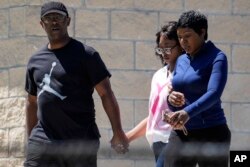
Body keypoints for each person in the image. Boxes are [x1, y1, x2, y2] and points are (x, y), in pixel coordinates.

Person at [24, 1, 128, 167]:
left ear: (68, 21)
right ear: (42, 24)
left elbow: (106, 94)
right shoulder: (35, 61)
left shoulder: (87, 55)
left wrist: (118, 132)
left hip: (80, 141)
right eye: (49, 18)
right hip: (43, 139)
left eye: (58, 17)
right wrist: (31, 139)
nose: (54, 22)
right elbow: (31, 102)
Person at [163, 10, 231, 167]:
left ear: (202, 32)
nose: (183, 42)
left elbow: (214, 94)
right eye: (180, 37)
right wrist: (171, 99)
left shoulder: (218, 57)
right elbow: (175, 93)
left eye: (187, 36)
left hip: (212, 133)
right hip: (182, 133)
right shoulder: (180, 60)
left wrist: (187, 112)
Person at [126, 21, 183, 167]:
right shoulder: (159, 75)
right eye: (161, 48)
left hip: (175, 141)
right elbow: (153, 118)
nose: (164, 53)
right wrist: (128, 137)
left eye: (169, 48)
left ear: (181, 45)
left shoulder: (185, 76)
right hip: (156, 142)